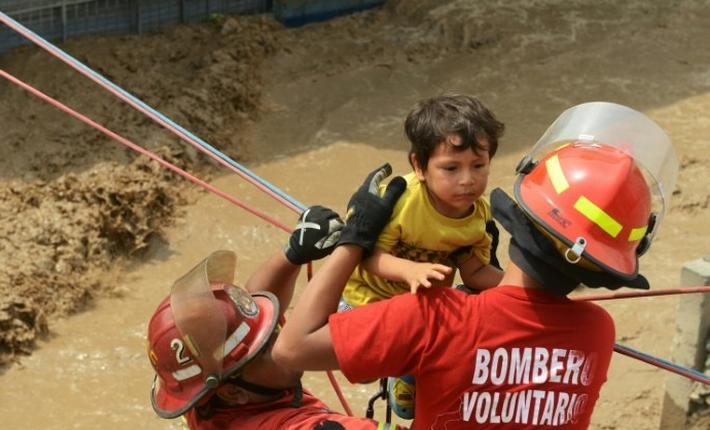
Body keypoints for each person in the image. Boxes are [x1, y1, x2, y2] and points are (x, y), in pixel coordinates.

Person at [273, 101, 678, 429]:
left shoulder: (435, 317)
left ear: (521, 214)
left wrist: (353, 240)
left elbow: (290, 351)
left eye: (477, 166)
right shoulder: (596, 334)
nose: (466, 180)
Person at [145, 206, 406, 429]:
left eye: (272, 332)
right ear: (233, 391)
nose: (283, 339)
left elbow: (253, 305)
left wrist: (293, 254)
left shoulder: (205, 392)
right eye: (267, 346)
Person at [340, 94, 506, 419]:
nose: (467, 180)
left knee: (409, 406)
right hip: (367, 297)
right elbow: (369, 256)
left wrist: (523, 288)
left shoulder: (478, 215)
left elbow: (474, 273)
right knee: (362, 371)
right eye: (450, 168)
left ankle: (408, 371)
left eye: (478, 166)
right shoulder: (402, 200)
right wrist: (410, 271)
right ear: (419, 167)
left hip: (421, 310)